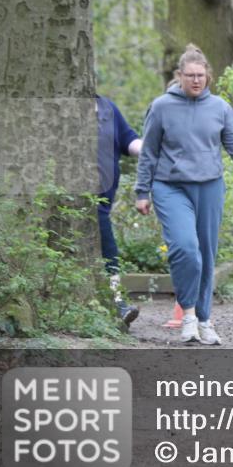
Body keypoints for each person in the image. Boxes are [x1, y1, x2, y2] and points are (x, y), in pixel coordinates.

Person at [134, 44, 233, 345]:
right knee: (185, 248)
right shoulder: (161, 107)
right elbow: (149, 153)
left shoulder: (220, 108)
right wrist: (141, 191)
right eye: (190, 75)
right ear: (179, 76)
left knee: (207, 255)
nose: (196, 80)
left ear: (207, 75)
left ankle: (205, 320)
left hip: (209, 186)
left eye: (201, 75)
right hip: (170, 186)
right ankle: (188, 315)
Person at [96, 95, 143, 326]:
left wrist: (153, 149)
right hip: (73, 198)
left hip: (104, 197)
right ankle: (116, 304)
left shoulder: (106, 107)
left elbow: (129, 141)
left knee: (108, 247)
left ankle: (115, 303)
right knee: (108, 246)